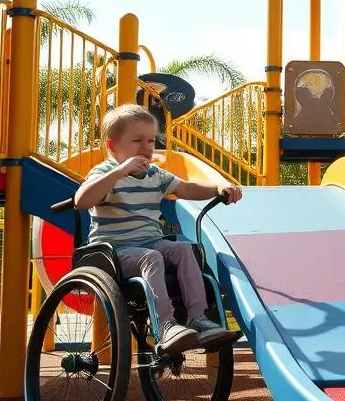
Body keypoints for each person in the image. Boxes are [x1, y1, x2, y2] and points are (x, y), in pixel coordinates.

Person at [75, 104, 243, 353]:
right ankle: (165, 324)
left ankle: (198, 317)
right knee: (152, 258)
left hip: (150, 242)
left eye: (151, 141)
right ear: (112, 147)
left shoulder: (155, 174)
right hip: (114, 250)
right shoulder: (105, 172)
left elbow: (185, 188)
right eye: (137, 140)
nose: (146, 147)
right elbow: (82, 201)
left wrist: (218, 188)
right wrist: (120, 171)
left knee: (185, 250)